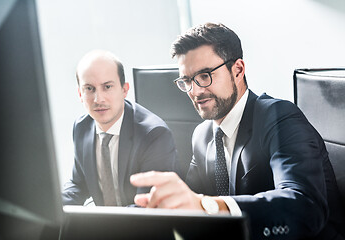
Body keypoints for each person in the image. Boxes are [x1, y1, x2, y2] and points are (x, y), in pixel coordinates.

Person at [130, 23, 345, 239]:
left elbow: (304, 207)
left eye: (205, 75)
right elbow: (190, 199)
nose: (195, 91)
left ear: (238, 70)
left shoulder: (279, 117)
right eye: (187, 81)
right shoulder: (202, 135)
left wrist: (207, 206)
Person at [62, 50, 176, 206]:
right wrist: (50, 206)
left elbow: (147, 206)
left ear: (124, 89)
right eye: (89, 89)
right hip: (104, 225)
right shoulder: (82, 127)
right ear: (80, 94)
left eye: (107, 87)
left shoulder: (153, 134)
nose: (98, 99)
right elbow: (78, 185)